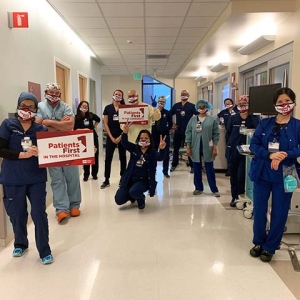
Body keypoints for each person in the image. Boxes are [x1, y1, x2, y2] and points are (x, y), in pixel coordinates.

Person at [0, 92, 53, 264]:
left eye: (31, 106)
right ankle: (20, 244)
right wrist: (23, 155)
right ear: (18, 106)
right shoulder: (8, 124)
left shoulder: (40, 129)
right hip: (13, 177)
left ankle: (44, 250)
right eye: (24, 105)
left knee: (38, 213)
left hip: (36, 178)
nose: (27, 109)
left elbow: (53, 149)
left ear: (36, 109)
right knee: (17, 214)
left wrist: (83, 152)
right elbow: (1, 150)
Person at [249, 87, 300, 262]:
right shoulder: (265, 124)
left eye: (287, 101)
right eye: (280, 102)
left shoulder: (297, 126)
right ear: (274, 105)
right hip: (263, 171)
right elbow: (254, 144)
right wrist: (269, 154)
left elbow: (299, 148)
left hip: (285, 174)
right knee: (260, 208)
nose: (284, 105)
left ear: (293, 103)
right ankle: (259, 242)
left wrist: (287, 154)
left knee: (280, 211)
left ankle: (270, 247)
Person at [35, 83, 82, 223]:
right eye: (51, 92)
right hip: (50, 149)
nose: (54, 96)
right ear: (45, 92)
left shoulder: (66, 107)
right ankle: (61, 209)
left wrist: (48, 122)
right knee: (57, 179)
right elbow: (38, 126)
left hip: (68, 147)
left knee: (72, 176)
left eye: (57, 93)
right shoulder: (39, 107)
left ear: (60, 94)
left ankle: (74, 205)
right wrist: (59, 124)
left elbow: (70, 126)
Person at [115, 124, 166, 209]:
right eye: (142, 138)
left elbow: (160, 157)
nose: (143, 140)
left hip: (143, 181)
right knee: (118, 199)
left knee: (134, 191)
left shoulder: (152, 153)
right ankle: (132, 196)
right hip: (130, 179)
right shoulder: (134, 149)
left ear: (150, 140)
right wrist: (125, 132)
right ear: (138, 139)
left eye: (146, 138)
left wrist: (162, 149)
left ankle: (141, 199)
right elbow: (125, 143)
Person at [226, 95, 260, 207]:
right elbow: (228, 133)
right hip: (234, 151)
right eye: (240, 102)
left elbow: (258, 133)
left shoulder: (254, 119)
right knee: (234, 175)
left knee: (243, 175)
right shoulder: (233, 118)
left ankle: (244, 196)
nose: (242, 104)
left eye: (245, 102)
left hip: (247, 153)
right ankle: (235, 197)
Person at [185, 100, 220, 197]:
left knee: (209, 168)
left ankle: (214, 189)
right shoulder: (193, 120)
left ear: (207, 107)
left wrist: (215, 147)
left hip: (208, 147)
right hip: (195, 147)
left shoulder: (211, 120)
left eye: (203, 107)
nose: (201, 109)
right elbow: (188, 133)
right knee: (196, 168)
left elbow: (216, 134)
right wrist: (188, 146)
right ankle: (198, 188)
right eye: (199, 107)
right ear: (197, 108)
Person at [101, 89, 127, 189]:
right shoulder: (108, 108)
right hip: (110, 137)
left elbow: (126, 124)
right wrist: (111, 137)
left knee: (123, 158)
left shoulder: (124, 108)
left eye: (119, 95)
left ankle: (123, 178)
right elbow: (105, 124)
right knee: (108, 158)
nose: (117, 96)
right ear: (113, 95)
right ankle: (106, 179)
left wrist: (120, 137)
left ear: (122, 97)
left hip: (122, 136)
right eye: (115, 94)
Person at [170, 89, 197, 173]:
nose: (184, 95)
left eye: (185, 94)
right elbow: (169, 115)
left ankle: (192, 166)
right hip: (178, 130)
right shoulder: (176, 105)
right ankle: (174, 164)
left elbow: (198, 115)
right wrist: (172, 124)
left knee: (190, 148)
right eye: (182, 94)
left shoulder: (192, 106)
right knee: (176, 148)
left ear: (188, 96)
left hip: (188, 131)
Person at [74, 101, 100, 181]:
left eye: (86, 106)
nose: (84, 108)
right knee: (86, 157)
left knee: (95, 155)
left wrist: (94, 126)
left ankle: (95, 174)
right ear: (79, 107)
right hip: (83, 139)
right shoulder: (76, 117)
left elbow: (98, 119)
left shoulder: (91, 115)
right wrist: (84, 130)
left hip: (93, 137)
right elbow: (75, 129)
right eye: (83, 106)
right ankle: (86, 174)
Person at [217, 98, 239, 176]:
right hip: (229, 134)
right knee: (229, 151)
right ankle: (229, 169)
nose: (227, 104)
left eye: (229, 103)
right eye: (226, 103)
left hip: (238, 134)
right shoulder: (224, 112)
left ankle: (237, 169)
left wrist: (236, 88)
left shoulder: (236, 110)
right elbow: (216, 117)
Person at [151, 96, 172, 178]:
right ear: (157, 102)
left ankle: (165, 171)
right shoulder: (153, 112)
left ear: (165, 103)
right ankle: (154, 170)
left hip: (164, 136)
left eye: (163, 102)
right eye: (160, 101)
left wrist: (166, 129)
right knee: (154, 153)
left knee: (166, 154)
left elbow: (170, 124)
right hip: (154, 136)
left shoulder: (167, 113)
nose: (161, 103)